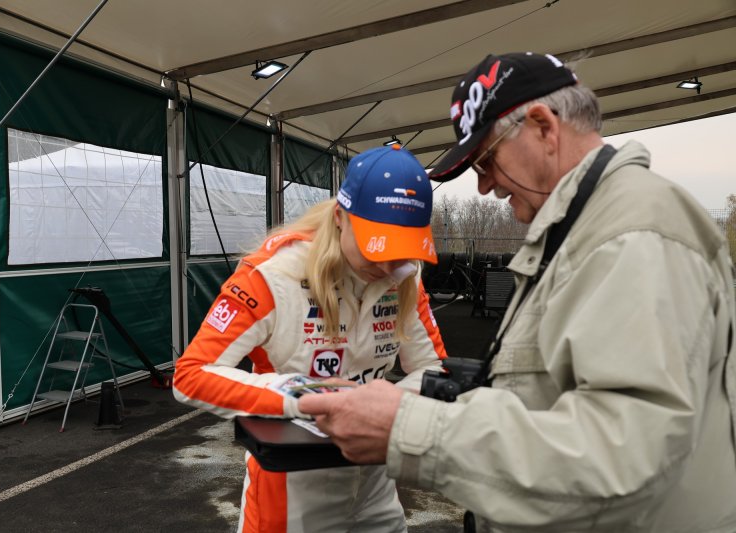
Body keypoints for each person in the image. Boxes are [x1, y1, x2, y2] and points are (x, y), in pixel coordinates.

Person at [300, 52, 736, 532]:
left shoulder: (633, 236)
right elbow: (551, 396)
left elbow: (623, 457)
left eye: (486, 160)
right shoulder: (582, 231)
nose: (484, 187)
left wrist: (406, 429)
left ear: (544, 128)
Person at [173, 143, 447, 533]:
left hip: (375, 481)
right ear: (340, 217)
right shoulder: (271, 274)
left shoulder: (406, 274)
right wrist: (305, 396)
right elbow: (191, 375)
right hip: (291, 491)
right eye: (376, 245)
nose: (389, 265)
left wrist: (383, 407)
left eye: (401, 249)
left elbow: (433, 369)